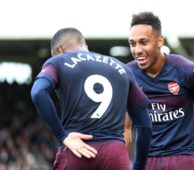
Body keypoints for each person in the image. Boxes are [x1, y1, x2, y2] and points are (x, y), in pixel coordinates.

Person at [31, 27, 152, 170]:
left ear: (59, 50)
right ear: (85, 46)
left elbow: (38, 92)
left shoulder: (58, 62)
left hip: (77, 150)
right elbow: (145, 125)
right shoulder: (123, 69)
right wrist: (138, 167)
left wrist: (62, 135)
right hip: (115, 154)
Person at [125, 11, 194, 170]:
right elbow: (125, 128)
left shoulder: (187, 71)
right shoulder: (127, 74)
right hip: (146, 160)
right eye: (132, 43)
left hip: (182, 159)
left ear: (159, 41)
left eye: (143, 42)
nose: (137, 50)